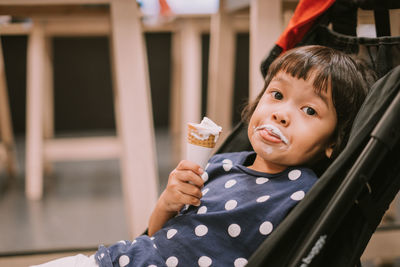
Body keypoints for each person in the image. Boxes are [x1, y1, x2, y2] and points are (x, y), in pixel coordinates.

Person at [32, 45, 370, 267]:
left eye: (309, 109)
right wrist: (167, 202)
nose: (282, 114)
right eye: (277, 94)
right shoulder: (225, 162)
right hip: (120, 259)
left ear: (332, 143)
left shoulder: (307, 193)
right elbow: (155, 236)